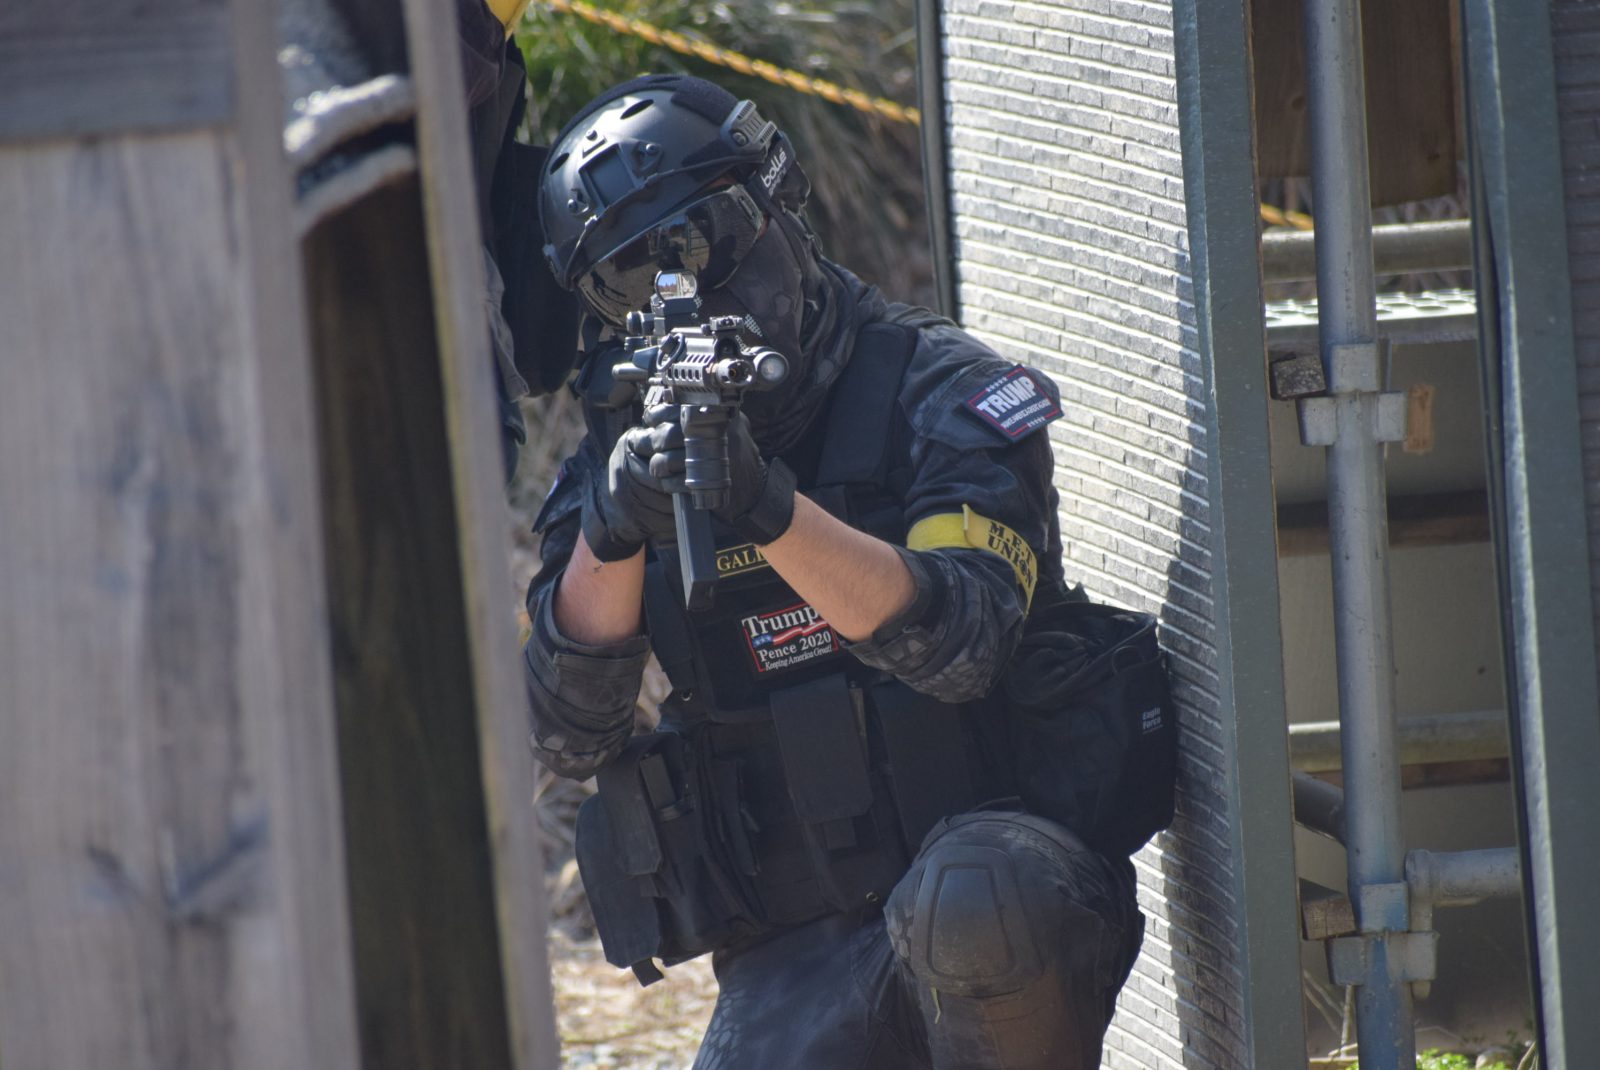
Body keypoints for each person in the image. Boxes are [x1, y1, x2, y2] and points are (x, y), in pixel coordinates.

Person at [523, 73, 1145, 1070]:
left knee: (978, 901)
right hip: (796, 948)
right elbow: (567, 730)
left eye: (706, 240)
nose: (687, 295)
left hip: (996, 883)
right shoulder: (623, 453)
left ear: (780, 205)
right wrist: (615, 526)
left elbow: (963, 647)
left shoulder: (938, 389)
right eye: (628, 282)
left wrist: (764, 506)